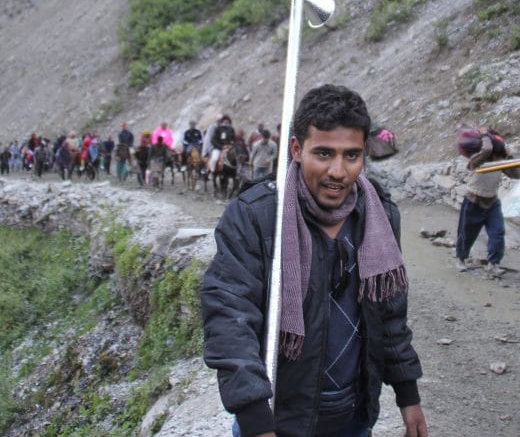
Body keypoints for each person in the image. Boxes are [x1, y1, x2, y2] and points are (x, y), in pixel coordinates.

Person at [201, 84, 427, 437]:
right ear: (296, 148)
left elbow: (389, 313)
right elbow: (229, 315)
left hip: (353, 420)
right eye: (323, 153)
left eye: (351, 155)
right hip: (277, 420)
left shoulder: (379, 216)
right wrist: (254, 417)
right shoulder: (257, 217)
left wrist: (408, 395)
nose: (338, 171)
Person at [456, 130, 520, 276]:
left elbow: (517, 175)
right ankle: (461, 259)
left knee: (498, 232)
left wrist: (509, 156)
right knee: (467, 233)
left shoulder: (499, 163)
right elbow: (487, 149)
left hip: (492, 202)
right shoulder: (477, 160)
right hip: (473, 201)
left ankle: (494, 264)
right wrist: (485, 135)